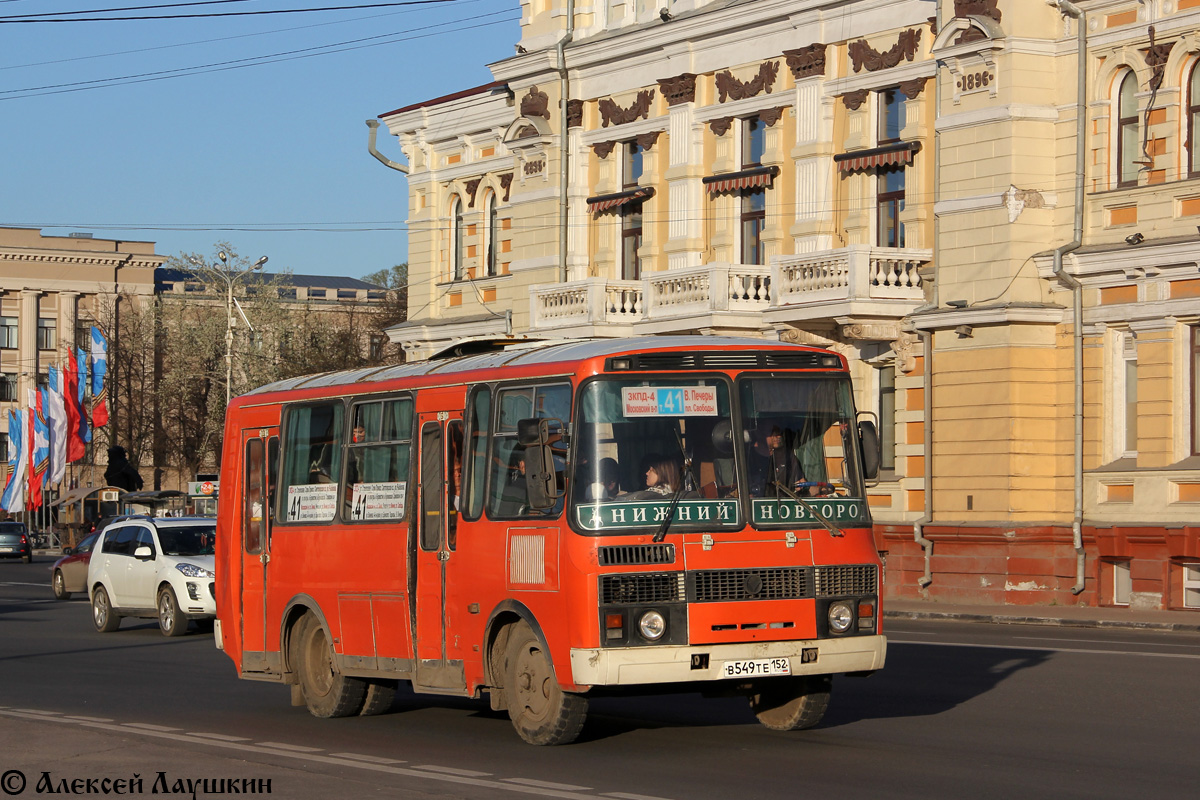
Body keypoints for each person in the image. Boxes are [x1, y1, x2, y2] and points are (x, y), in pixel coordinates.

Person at [747, 423, 810, 497]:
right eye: (772, 433)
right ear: (761, 435)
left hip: (784, 503)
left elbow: (801, 481)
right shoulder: (749, 457)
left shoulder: (788, 456)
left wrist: (802, 486)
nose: (778, 437)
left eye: (779, 433)